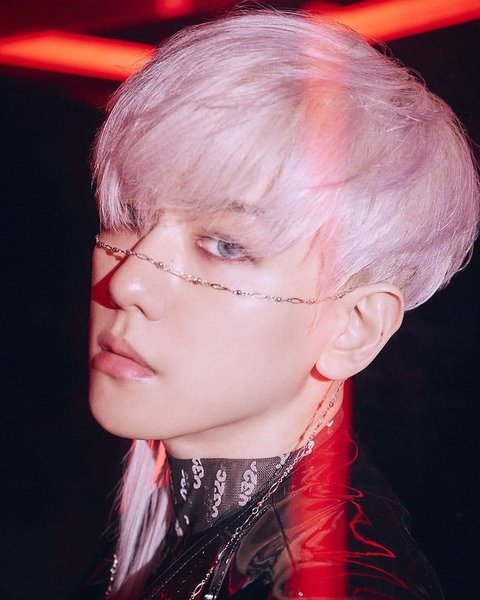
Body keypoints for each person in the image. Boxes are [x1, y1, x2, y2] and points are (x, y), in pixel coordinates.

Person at [83, 10, 479, 600]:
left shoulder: (336, 584)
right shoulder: (162, 518)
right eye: (132, 216)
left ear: (353, 327)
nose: (128, 283)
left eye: (226, 246)